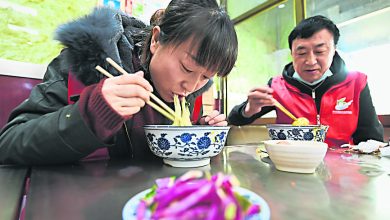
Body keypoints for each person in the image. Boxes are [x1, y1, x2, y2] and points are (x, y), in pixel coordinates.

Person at [0, 0, 238, 164]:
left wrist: (198, 135)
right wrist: (90, 114)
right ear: (156, 40)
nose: (192, 85)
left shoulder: (190, 95)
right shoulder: (88, 63)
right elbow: (9, 145)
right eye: (187, 67)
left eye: (207, 76)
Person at [228, 15, 383, 147]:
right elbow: (235, 119)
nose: (310, 61)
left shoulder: (356, 83)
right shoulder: (277, 86)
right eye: (301, 53)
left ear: (334, 50)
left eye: (319, 51)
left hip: (342, 171)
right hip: (292, 166)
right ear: (292, 53)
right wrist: (249, 109)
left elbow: (371, 138)